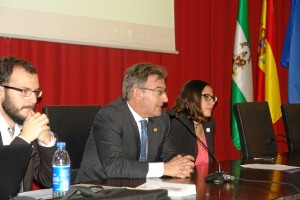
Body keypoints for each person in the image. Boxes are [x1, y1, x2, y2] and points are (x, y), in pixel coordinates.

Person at [76, 63, 195, 182]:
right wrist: (164, 168)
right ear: (138, 93)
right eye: (159, 92)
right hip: (98, 189)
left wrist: (180, 162)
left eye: (164, 92)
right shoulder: (111, 115)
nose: (165, 99)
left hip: (139, 188)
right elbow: (113, 166)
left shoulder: (161, 119)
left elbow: (169, 154)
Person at [0, 56, 56, 191]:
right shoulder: (27, 132)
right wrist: (24, 140)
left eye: (36, 92)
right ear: (1, 92)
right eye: (25, 91)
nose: (34, 100)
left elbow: (49, 181)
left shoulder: (26, 126)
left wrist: (46, 142)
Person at [166, 80, 217, 165]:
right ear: (192, 98)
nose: (212, 103)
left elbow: (210, 162)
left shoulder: (209, 123)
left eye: (213, 98)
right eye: (207, 97)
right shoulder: (178, 123)